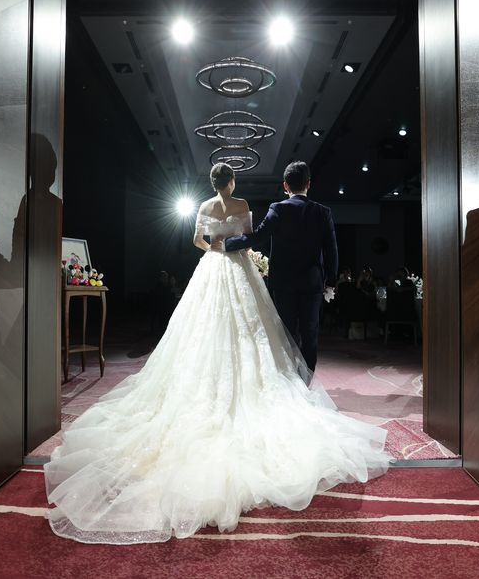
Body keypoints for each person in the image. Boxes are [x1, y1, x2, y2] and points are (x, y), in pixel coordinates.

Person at [44, 162, 391, 545]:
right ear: (234, 182)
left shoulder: (216, 207)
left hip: (221, 268)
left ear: (213, 183)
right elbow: (265, 240)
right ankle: (300, 387)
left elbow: (202, 241)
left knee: (213, 328)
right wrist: (258, 256)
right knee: (272, 334)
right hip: (260, 272)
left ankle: (226, 383)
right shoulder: (251, 205)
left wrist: (217, 247)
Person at [223, 161, 337, 372]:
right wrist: (330, 281)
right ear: (308, 184)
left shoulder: (278, 209)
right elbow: (332, 250)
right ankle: (307, 379)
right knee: (310, 333)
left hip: (284, 282)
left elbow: (258, 236)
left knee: (286, 333)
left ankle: (290, 378)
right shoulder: (323, 212)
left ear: (285, 185)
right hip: (312, 282)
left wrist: (227, 243)